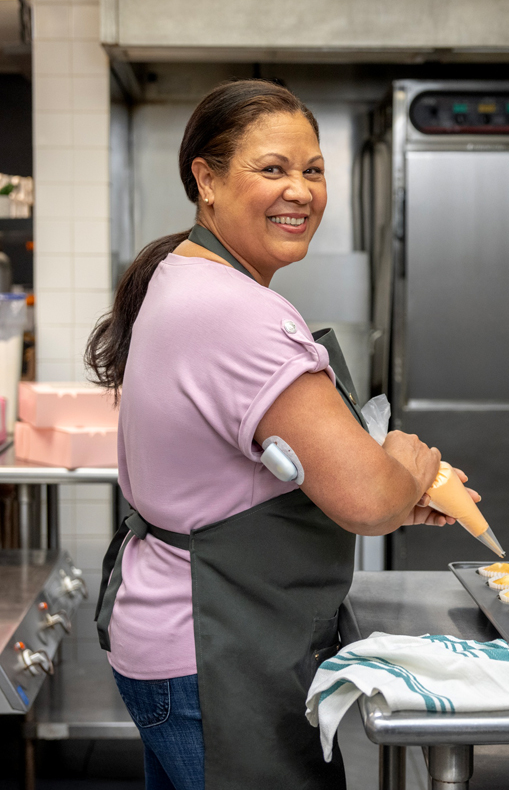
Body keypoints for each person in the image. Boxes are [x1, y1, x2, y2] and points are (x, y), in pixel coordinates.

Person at [85, 79, 478, 790]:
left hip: (182, 641)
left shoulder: (185, 278)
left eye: (313, 170)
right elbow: (365, 499)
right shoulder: (237, 313)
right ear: (205, 179)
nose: (300, 190)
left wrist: (392, 492)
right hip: (215, 649)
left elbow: (262, 476)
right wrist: (401, 463)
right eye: (272, 169)